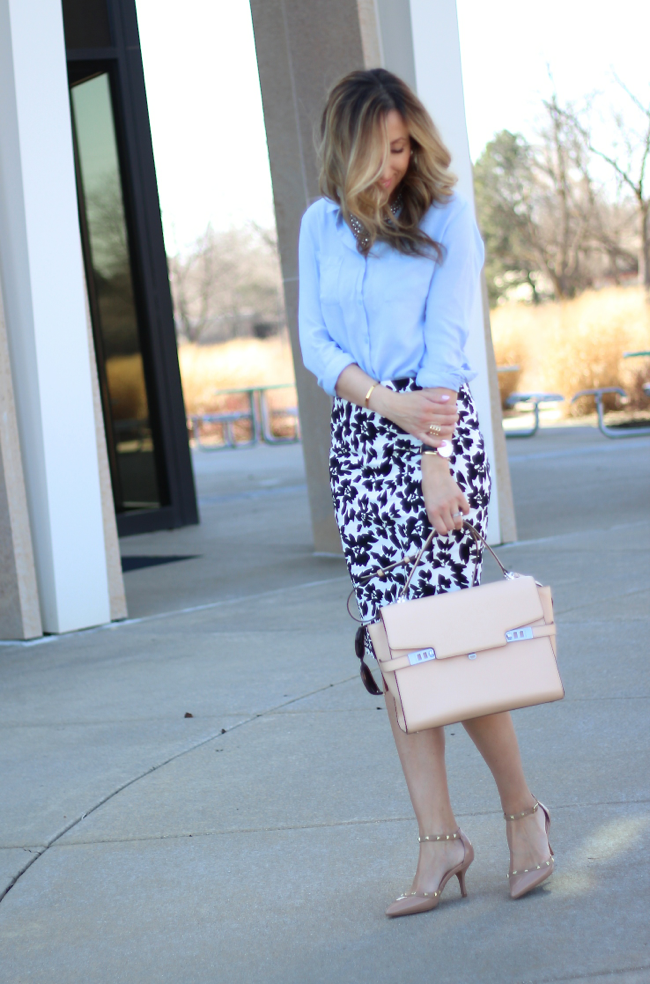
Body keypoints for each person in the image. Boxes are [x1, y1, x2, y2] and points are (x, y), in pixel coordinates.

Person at [297, 68, 554, 918]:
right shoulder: (320, 223)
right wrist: (380, 403)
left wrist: (432, 454)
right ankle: (439, 839)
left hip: (435, 436)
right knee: (398, 651)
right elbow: (315, 340)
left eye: (403, 147)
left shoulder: (444, 214)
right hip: (362, 440)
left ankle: (523, 815)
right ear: (344, 150)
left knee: (453, 644)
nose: (392, 166)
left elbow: (447, 345)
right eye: (377, 152)